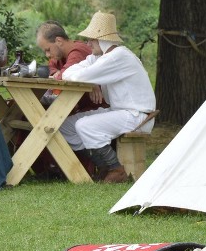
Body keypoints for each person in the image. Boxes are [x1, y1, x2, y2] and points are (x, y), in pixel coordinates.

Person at [58, 11, 156, 183]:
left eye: (91, 39)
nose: (88, 43)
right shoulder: (101, 57)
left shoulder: (119, 57)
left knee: (84, 125)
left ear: (101, 39)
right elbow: (69, 72)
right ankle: (103, 166)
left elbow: (78, 76)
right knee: (66, 127)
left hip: (137, 115)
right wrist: (93, 81)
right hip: (121, 112)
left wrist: (90, 78)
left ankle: (115, 169)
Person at [36, 20, 103, 111]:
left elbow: (65, 76)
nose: (47, 55)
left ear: (59, 41)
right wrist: (56, 72)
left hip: (94, 109)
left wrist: (60, 74)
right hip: (74, 106)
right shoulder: (60, 54)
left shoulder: (77, 52)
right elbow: (51, 66)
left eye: (48, 50)